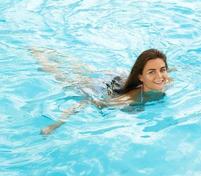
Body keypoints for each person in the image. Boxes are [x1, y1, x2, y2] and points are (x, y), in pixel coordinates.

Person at [31, 48, 170, 135]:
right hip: (103, 87)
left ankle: (51, 52)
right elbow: (88, 101)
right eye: (152, 72)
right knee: (65, 78)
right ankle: (40, 56)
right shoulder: (129, 99)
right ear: (140, 76)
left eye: (162, 70)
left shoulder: (166, 80)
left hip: (119, 78)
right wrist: (55, 125)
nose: (160, 76)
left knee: (86, 70)